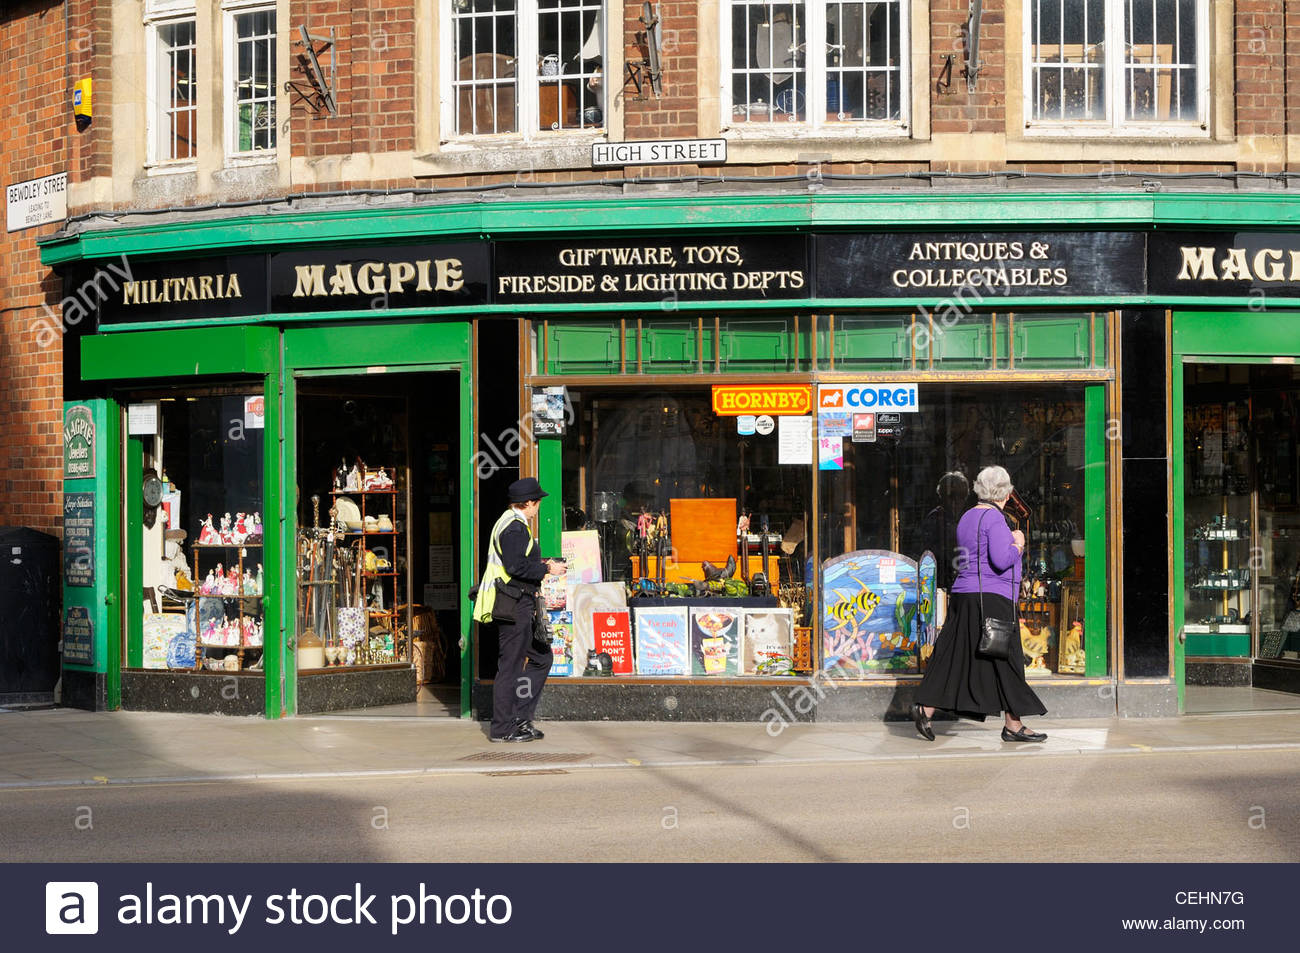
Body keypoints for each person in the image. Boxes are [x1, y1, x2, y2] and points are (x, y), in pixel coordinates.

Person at [912, 465, 1048, 743]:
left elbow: (965, 555)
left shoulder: (967, 517)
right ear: (1007, 494)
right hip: (991, 597)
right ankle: (1014, 725)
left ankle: (925, 709)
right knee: (1007, 658)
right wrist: (1018, 544)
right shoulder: (996, 519)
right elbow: (1001, 559)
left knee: (955, 654)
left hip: (964, 594)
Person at [473, 477, 567, 743]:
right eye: (537, 502)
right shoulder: (513, 528)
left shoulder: (511, 523)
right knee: (511, 667)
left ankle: (521, 719)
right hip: (513, 605)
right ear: (527, 503)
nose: (538, 507)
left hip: (518, 603)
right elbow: (516, 567)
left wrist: (541, 563)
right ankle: (502, 728)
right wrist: (547, 568)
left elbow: (518, 562)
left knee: (541, 658)